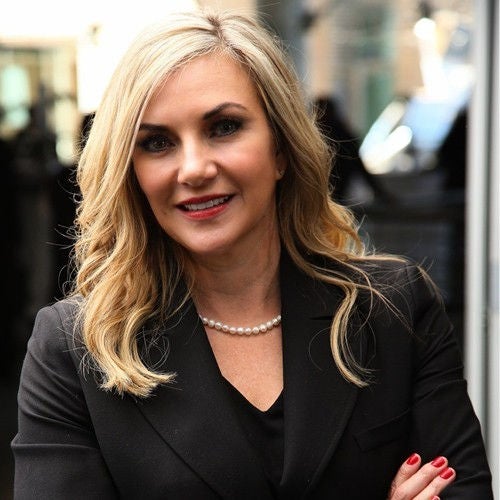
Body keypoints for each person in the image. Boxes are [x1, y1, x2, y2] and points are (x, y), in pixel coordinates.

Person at [11, 9, 492, 499]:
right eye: (157, 143)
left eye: (224, 127)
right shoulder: (75, 348)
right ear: (131, 171)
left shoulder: (395, 308)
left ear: (280, 148)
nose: (194, 169)